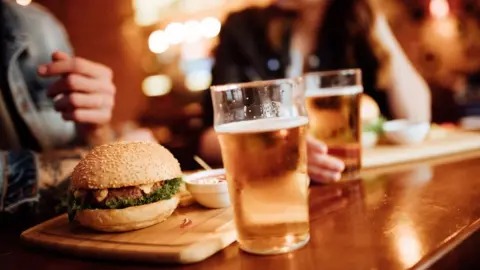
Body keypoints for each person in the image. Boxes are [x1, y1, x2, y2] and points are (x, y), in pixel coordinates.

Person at [198, 0, 431, 183]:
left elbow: (416, 117)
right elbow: (209, 140)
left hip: (356, 185)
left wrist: (374, 19)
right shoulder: (243, 29)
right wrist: (276, 149)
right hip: (274, 190)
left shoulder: (354, 31)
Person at [0, 1, 144, 213]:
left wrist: (97, 130)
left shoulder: (41, 25)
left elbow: (83, 141)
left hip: (72, 231)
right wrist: (112, 160)